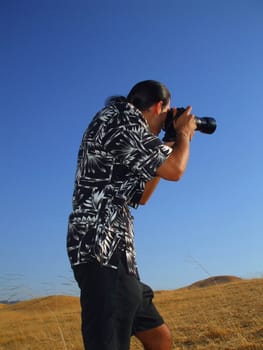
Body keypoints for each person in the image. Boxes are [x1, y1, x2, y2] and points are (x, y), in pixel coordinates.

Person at [67, 80, 196, 350]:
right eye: (166, 115)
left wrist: (170, 139)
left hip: (120, 259)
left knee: (158, 336)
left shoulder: (126, 134)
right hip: (102, 251)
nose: (163, 124)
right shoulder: (121, 119)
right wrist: (183, 134)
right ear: (159, 105)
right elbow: (175, 170)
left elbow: (142, 196)